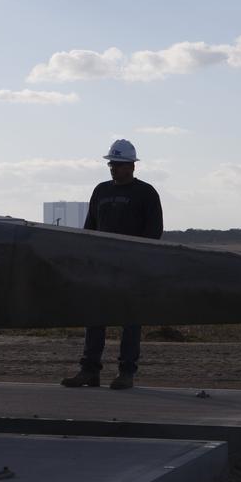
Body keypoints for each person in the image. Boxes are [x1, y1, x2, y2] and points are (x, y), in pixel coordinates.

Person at [60, 139, 163, 390]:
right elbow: (90, 228)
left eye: (118, 164)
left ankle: (126, 373)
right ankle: (89, 371)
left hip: (131, 269)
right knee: (94, 318)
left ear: (132, 166)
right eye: (111, 164)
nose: (113, 168)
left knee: (130, 321)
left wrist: (136, 259)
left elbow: (154, 231)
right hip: (101, 268)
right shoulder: (101, 191)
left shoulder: (146, 193)